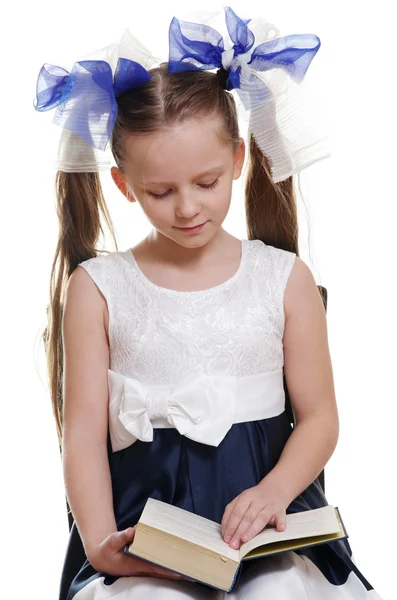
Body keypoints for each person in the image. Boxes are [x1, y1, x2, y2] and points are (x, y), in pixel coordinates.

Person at [35, 7, 383, 600]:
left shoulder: (283, 278)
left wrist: (273, 493)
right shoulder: (98, 287)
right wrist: (99, 543)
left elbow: (320, 418)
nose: (188, 208)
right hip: (146, 527)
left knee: (281, 593)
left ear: (239, 161)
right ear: (125, 187)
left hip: (265, 520)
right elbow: (84, 438)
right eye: (161, 192)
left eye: (207, 182)